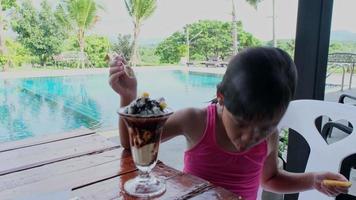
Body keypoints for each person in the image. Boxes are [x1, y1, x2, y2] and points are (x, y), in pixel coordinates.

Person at [109, 47, 349, 200]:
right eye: (241, 124)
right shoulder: (196, 121)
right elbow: (133, 145)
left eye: (264, 127)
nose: (249, 138)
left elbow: (270, 179)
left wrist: (313, 180)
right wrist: (128, 96)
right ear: (221, 97)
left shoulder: (271, 137)